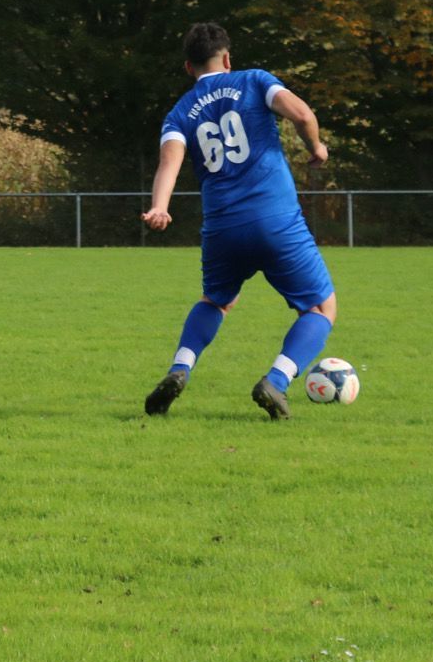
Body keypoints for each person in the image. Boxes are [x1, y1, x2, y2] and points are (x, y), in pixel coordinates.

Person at [140, 23, 337, 420]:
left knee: (216, 301)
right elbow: (301, 114)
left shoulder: (180, 112)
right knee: (320, 308)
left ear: (188, 67)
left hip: (222, 228)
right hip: (276, 221)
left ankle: (180, 368)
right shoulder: (254, 81)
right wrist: (316, 147)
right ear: (227, 58)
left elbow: (169, 163)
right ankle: (276, 381)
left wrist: (160, 207)